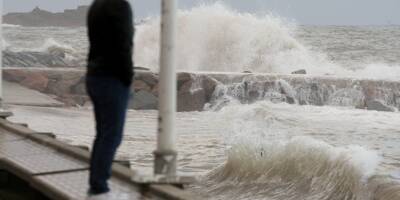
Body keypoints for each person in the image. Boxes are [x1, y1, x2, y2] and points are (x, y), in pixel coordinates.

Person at [85, 0, 134, 198]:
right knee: (112, 135)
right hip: (111, 77)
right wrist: (127, 77)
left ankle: (96, 184)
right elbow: (124, 43)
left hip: (95, 75)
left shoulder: (97, 5)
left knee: (103, 134)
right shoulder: (119, 6)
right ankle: (100, 188)